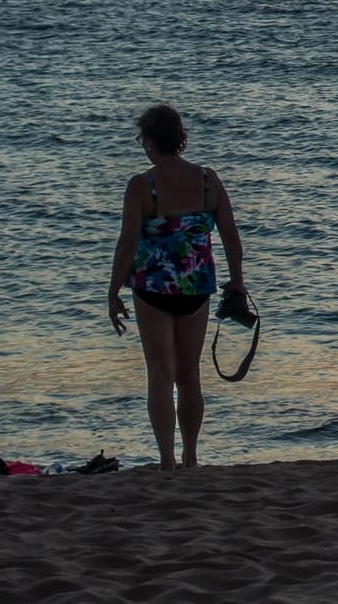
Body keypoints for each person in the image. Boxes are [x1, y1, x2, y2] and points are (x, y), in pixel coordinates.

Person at [107, 104, 247, 469]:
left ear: (150, 142)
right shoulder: (207, 181)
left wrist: (113, 291)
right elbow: (231, 235)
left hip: (152, 289)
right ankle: (192, 456)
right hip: (197, 287)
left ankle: (167, 458)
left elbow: (127, 243)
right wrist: (237, 282)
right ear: (181, 139)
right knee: (189, 376)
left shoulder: (142, 185)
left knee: (160, 375)